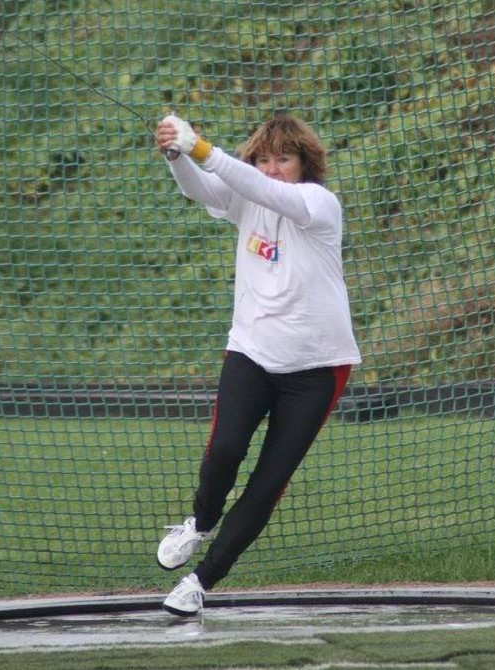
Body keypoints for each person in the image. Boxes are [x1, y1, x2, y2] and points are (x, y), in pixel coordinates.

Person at [153, 112, 361, 617]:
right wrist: (178, 156)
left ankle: (201, 581)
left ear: (304, 163)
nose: (271, 169)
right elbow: (203, 189)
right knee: (225, 449)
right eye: (263, 160)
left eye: (283, 159)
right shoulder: (246, 195)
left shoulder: (318, 203)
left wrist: (202, 148)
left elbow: (261, 188)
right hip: (251, 350)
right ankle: (201, 522)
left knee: (268, 484)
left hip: (317, 368)